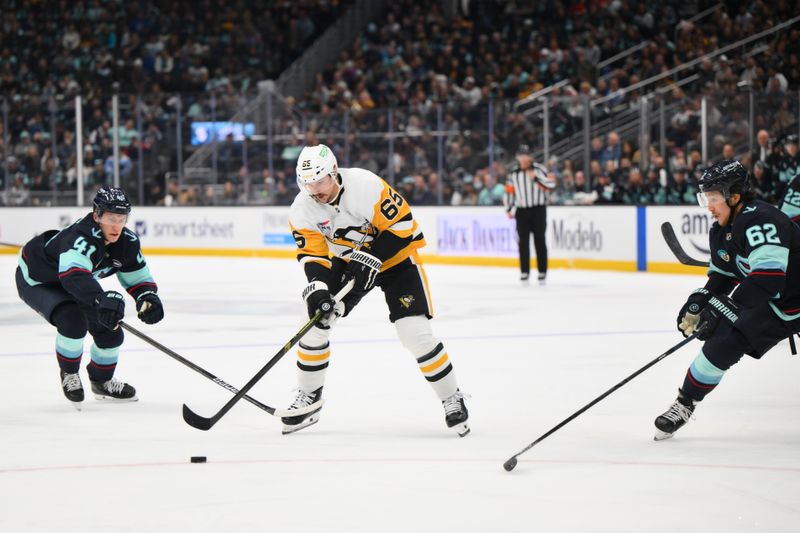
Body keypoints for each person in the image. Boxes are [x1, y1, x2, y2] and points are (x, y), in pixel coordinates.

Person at [282, 144, 469, 437]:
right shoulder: (302, 208)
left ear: (334, 173)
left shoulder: (365, 184)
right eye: (307, 183)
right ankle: (309, 400)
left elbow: (403, 225)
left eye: (319, 181)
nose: (314, 189)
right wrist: (318, 288)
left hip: (396, 261)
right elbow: (314, 256)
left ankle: (451, 398)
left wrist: (373, 257)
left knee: (415, 333)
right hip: (346, 263)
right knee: (317, 324)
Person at [654, 160, 800, 440]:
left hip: (786, 296)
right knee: (721, 342)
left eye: (713, 198)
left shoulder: (761, 220)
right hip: (775, 304)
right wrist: (700, 300)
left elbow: (768, 278)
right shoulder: (720, 231)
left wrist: (726, 306)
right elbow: (724, 276)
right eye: (705, 197)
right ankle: (684, 404)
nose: (708, 206)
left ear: (734, 196)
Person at [15, 186, 164, 409]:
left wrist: (148, 297)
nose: (117, 226)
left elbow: (137, 277)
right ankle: (69, 373)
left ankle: (101, 380)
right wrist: (100, 299)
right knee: (73, 321)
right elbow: (73, 275)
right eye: (111, 218)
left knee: (111, 332)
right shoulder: (81, 238)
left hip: (74, 281)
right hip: (38, 279)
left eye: (122, 219)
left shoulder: (128, 243)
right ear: (97, 215)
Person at [503, 144, 555, 284]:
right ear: (518, 158)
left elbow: (551, 185)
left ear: (530, 157)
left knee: (540, 240)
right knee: (523, 243)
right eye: (521, 156)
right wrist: (508, 208)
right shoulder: (513, 174)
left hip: (538, 209)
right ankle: (524, 271)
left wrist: (536, 178)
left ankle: (542, 271)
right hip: (521, 211)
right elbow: (509, 192)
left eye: (526, 155)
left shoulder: (540, 169)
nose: (524, 159)